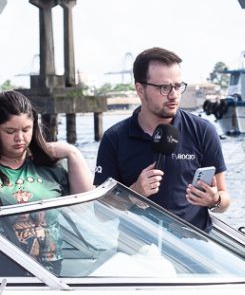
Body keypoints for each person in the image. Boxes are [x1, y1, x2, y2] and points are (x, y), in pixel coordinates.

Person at [94, 47, 229, 231]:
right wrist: (134, 193)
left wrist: (214, 200)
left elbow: (224, 199)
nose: (173, 95)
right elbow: (100, 212)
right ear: (140, 89)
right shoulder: (114, 138)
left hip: (195, 251)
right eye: (164, 88)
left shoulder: (203, 131)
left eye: (178, 86)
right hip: (137, 251)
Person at [0, 91, 91, 274]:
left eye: (26, 130)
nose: (19, 138)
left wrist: (73, 153)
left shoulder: (48, 167)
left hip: (49, 266)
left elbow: (83, 206)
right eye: (10, 131)